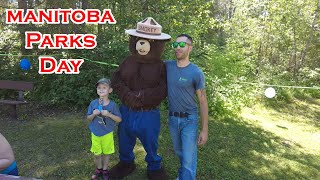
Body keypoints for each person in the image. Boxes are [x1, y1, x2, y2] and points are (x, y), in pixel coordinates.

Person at [165, 34, 209, 180]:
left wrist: (204, 129)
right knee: (180, 153)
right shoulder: (168, 66)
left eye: (182, 45)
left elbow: (202, 100)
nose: (177, 48)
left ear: (190, 47)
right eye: (175, 45)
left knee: (189, 158)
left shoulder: (196, 72)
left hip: (189, 120)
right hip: (172, 118)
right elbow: (150, 64)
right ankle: (182, 176)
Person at [87, 78, 122, 180]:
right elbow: (88, 118)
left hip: (107, 133)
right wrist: (93, 114)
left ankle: (105, 170)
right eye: (99, 87)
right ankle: (99, 169)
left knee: (106, 153)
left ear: (110, 90)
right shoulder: (93, 103)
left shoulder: (113, 105)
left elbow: (119, 119)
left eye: (104, 87)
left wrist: (109, 114)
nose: (101, 89)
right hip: (95, 133)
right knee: (97, 154)